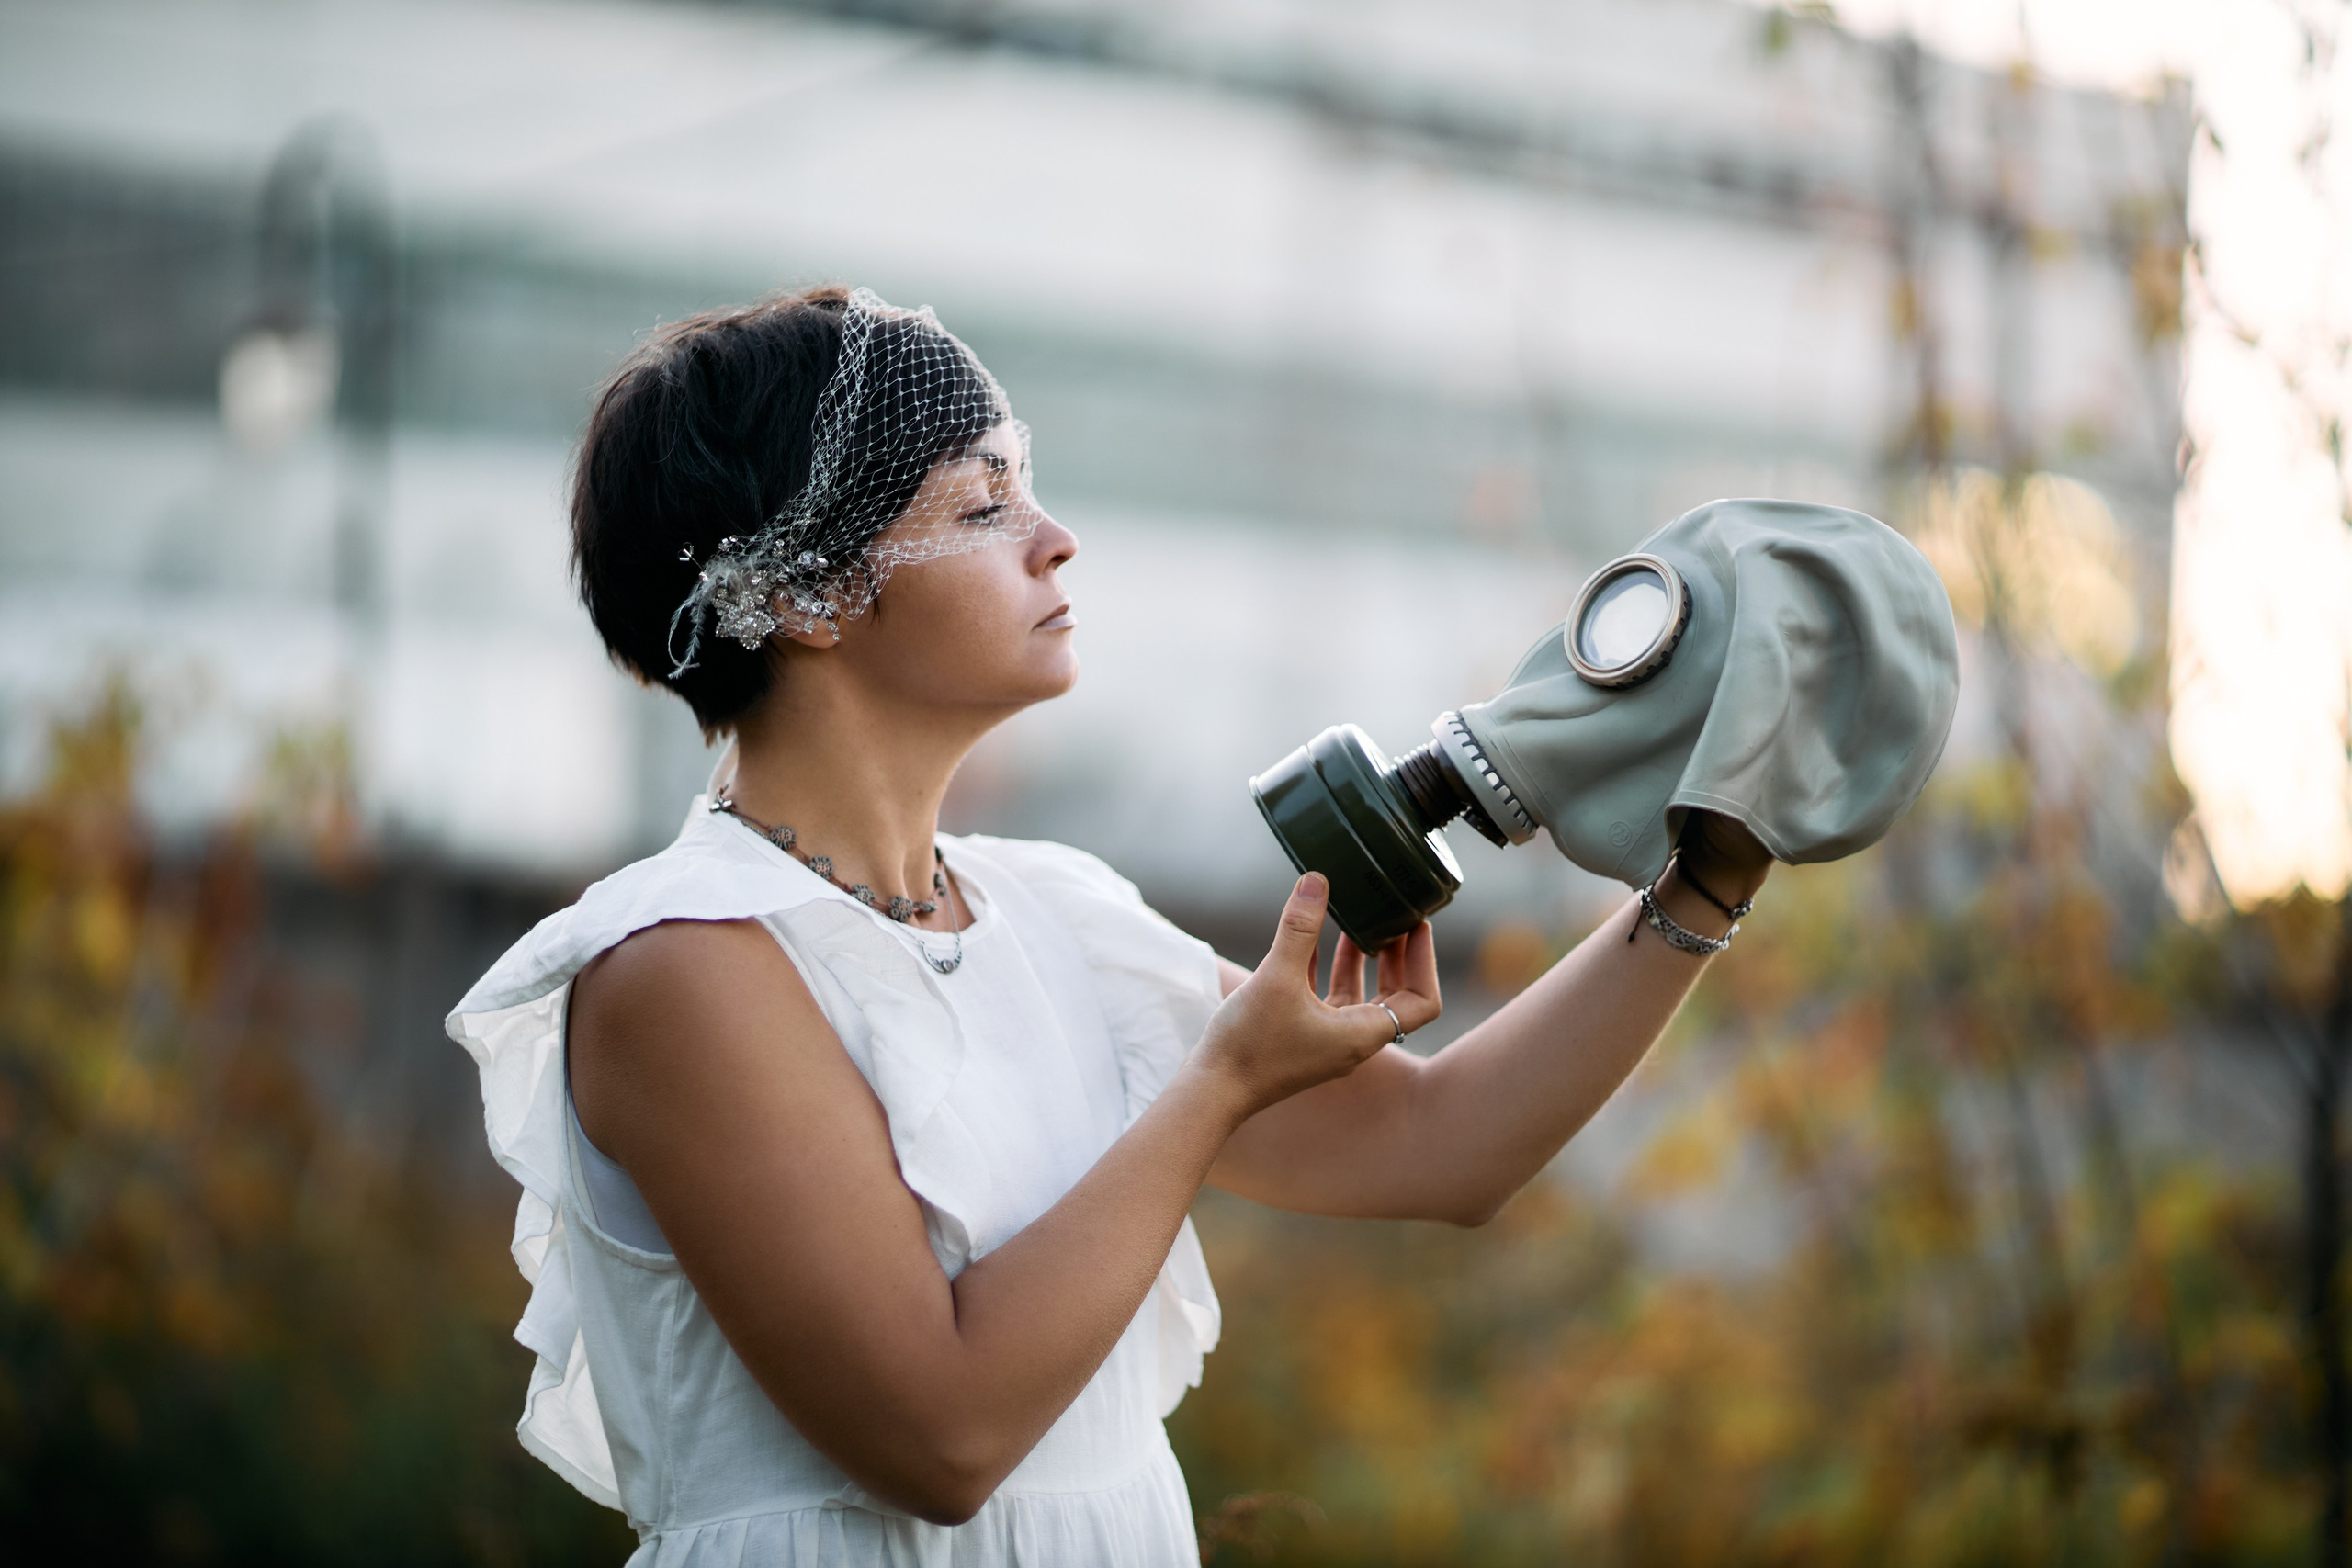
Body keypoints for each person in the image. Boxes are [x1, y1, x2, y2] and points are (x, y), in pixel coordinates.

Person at [447, 285, 1772, 1566]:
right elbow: (944, 1438)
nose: (1055, 537)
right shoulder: (684, 968)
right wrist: (1218, 1087)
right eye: (985, 504)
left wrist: (1710, 868)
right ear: (799, 595)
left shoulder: (1051, 913)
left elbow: (1446, 1148)